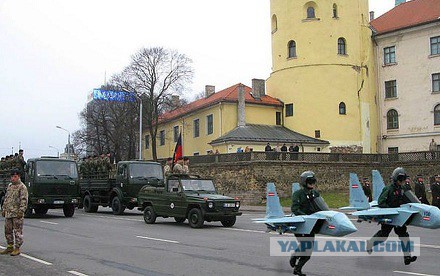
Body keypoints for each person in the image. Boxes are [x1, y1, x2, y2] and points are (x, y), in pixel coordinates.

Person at [366, 167, 417, 265]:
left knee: (403, 235)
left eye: (402, 179)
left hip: (400, 217)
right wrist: (390, 209)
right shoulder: (388, 189)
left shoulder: (403, 189)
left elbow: (409, 200)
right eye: (400, 179)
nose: (401, 182)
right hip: (389, 216)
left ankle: (407, 257)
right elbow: (381, 202)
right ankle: (370, 244)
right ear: (395, 179)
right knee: (384, 235)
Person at [290, 171, 321, 276]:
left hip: (312, 225)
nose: (312, 183)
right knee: (305, 246)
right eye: (310, 181)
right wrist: (305, 216)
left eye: (313, 181)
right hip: (301, 225)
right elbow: (294, 208)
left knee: (308, 251)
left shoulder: (315, 194)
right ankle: (295, 257)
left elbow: (321, 206)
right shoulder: (298, 194)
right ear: (304, 182)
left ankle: (297, 269)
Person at [1, 168, 28, 256]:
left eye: (15, 176)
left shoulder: (22, 187)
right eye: (12, 176)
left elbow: (24, 200)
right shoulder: (10, 186)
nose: (13, 178)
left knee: (17, 231)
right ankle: (9, 246)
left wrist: (21, 211)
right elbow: (6, 198)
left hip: (17, 213)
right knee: (7, 230)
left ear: (18, 177)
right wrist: (3, 209)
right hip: (9, 212)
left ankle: (17, 248)